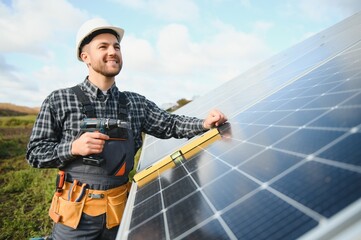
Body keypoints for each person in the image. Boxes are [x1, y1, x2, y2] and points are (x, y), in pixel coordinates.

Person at [26, 18, 227, 240]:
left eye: (116, 46)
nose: (112, 51)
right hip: (74, 216)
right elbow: (35, 154)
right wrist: (73, 147)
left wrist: (203, 124)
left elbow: (171, 124)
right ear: (85, 57)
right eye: (103, 47)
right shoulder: (59, 100)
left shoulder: (135, 103)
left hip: (119, 213)